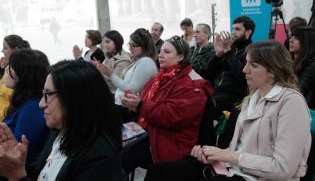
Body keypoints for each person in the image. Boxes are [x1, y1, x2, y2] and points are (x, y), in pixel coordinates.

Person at [145, 41, 311, 181]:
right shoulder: (251, 98)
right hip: (235, 170)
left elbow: (282, 168)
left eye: (253, 65)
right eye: (246, 63)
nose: (245, 69)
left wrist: (227, 156)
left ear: (274, 70)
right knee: (157, 171)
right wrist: (212, 153)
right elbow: (238, 150)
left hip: (257, 177)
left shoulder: (291, 103)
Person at [0, 60, 125, 181]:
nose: (41, 104)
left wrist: (18, 176)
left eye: (48, 94)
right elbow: (42, 174)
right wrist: (16, 164)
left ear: (74, 99)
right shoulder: (61, 132)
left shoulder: (100, 158)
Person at [121, 35, 214, 174]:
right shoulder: (163, 76)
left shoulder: (192, 84)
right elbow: (146, 101)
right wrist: (134, 103)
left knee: (123, 159)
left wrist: (139, 105)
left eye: (167, 52)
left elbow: (172, 116)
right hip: (156, 132)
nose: (160, 55)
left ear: (181, 57)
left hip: (173, 141)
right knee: (117, 156)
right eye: (161, 51)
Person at [206, 16, 255, 148]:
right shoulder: (231, 49)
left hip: (234, 96)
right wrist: (218, 54)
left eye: (238, 29)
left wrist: (228, 53)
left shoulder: (252, 51)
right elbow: (209, 72)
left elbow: (242, 76)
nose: (233, 32)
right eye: (233, 28)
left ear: (248, 32)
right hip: (216, 91)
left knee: (208, 105)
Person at [3, 49, 49, 164]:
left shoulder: (32, 109)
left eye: (11, 66)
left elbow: (16, 156)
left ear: (24, 74)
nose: (6, 69)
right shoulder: (25, 101)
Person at [93, 28, 157, 107]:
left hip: (124, 107)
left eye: (133, 45)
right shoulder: (139, 60)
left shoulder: (146, 62)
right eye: (129, 45)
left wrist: (110, 74)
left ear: (144, 46)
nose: (130, 48)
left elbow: (131, 89)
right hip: (120, 103)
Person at [289, 26, 315, 181]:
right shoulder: (298, 62)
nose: (290, 40)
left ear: (307, 42)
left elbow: (296, 91)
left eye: (296, 37)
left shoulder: (312, 66)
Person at [0, 35, 30, 121]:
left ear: (16, 50)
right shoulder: (6, 68)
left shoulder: (21, 73)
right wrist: (1, 70)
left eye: (5, 48)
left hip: (6, 122)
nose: (2, 51)